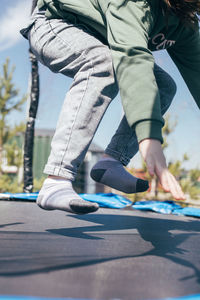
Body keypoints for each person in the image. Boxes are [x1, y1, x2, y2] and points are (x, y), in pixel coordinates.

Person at [21, 0, 200, 214]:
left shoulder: (185, 22)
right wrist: (148, 136)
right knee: (101, 63)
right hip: (53, 23)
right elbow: (132, 58)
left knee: (164, 86)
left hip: (100, 38)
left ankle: (111, 162)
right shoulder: (135, 2)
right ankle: (56, 179)